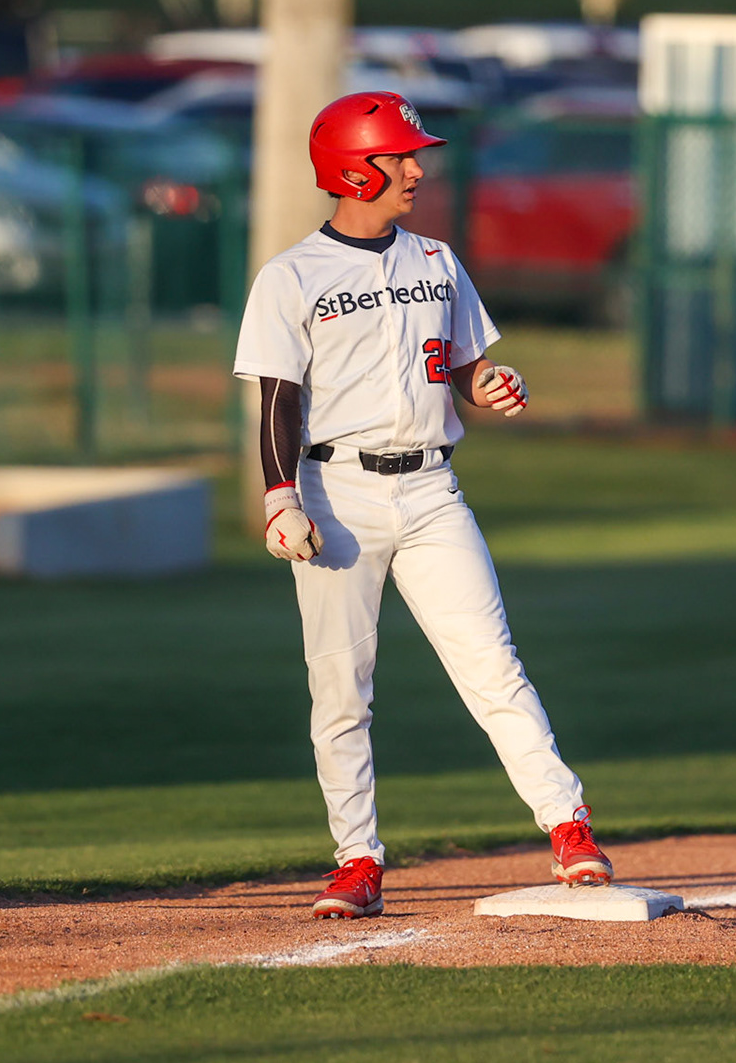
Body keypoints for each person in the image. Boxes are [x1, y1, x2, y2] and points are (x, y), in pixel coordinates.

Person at [232, 91, 612, 920]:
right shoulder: (293, 274)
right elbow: (275, 401)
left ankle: (568, 825)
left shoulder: (437, 261)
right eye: (400, 156)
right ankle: (357, 859)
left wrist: (489, 385)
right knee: (341, 690)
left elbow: (465, 370)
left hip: (433, 490)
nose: (417, 168)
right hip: (338, 496)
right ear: (353, 169)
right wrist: (278, 498)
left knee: (491, 662)